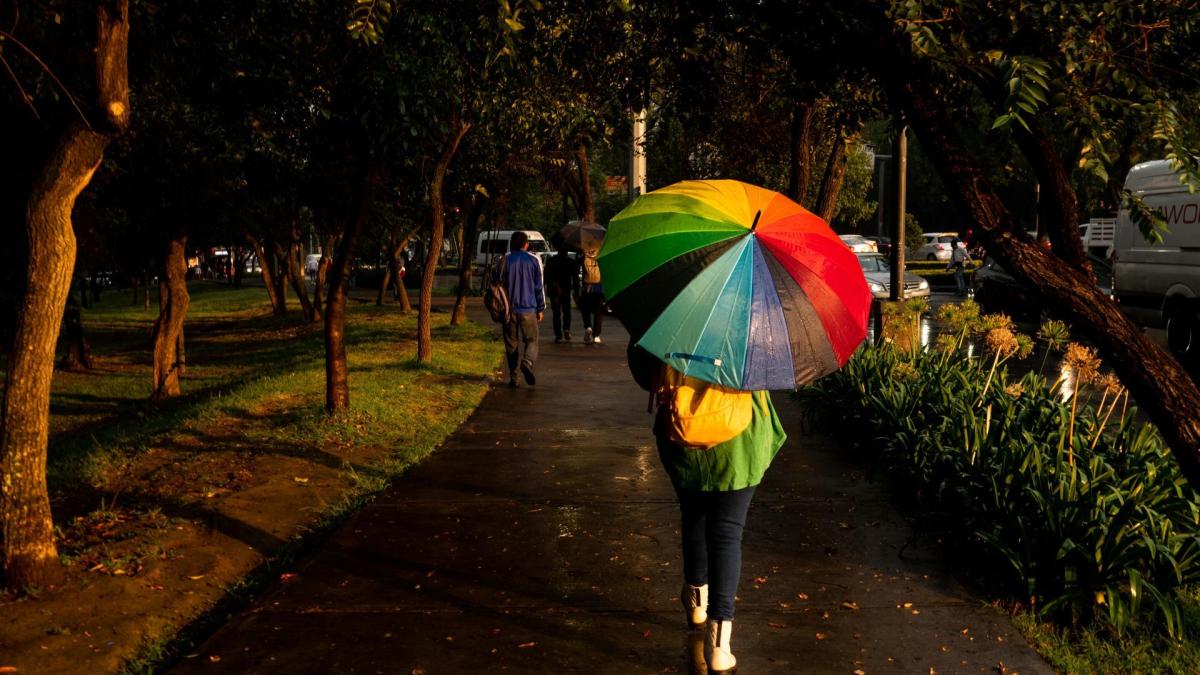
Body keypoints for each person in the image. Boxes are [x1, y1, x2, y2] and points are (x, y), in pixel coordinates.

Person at [627, 345, 787, 674]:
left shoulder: (668, 305)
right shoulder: (754, 312)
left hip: (681, 434)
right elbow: (776, 369)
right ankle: (718, 643)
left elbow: (644, 373)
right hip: (739, 438)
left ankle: (696, 601)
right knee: (727, 533)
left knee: (694, 516)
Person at [500, 231, 544, 387]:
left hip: (508, 310)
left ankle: (513, 378)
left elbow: (498, 284)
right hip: (528, 309)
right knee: (532, 340)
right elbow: (539, 287)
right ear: (526, 244)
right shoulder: (533, 261)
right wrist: (540, 308)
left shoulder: (505, 260)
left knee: (511, 344)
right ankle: (527, 361)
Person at [544, 248, 578, 343]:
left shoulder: (552, 261)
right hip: (565, 289)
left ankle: (558, 335)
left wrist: (554, 285)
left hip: (555, 290)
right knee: (566, 311)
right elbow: (574, 276)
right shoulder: (570, 261)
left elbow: (547, 276)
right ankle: (566, 329)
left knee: (556, 313)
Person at [578, 252, 606, 344]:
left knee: (585, 310)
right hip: (599, 288)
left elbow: (576, 271)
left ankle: (588, 326)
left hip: (587, 288)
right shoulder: (602, 254)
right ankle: (596, 335)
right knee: (598, 312)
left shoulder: (583, 256)